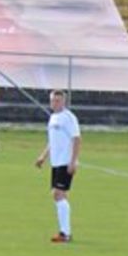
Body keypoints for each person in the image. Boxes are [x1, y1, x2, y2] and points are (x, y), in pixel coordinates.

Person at [33, 89, 79, 243]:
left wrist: (73, 161)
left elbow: (77, 139)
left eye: (58, 100)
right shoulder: (53, 117)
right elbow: (52, 141)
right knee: (61, 195)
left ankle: (64, 233)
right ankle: (66, 233)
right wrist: (43, 157)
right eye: (53, 100)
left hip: (65, 162)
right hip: (56, 162)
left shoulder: (68, 118)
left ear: (63, 101)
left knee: (57, 194)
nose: (55, 103)